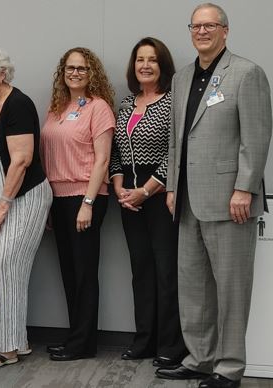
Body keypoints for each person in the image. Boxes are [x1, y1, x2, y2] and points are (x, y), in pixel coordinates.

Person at [157, 4, 272, 387]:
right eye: (196, 25)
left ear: (225, 30)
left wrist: (244, 188)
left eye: (210, 25)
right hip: (187, 200)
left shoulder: (247, 73)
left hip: (230, 201)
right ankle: (200, 358)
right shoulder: (182, 77)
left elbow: (256, 139)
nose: (202, 31)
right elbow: (177, 139)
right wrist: (172, 186)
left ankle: (229, 367)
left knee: (232, 289)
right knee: (193, 288)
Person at [0, 46, 52, 368]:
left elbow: (21, 159)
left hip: (23, 199)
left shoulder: (18, 103)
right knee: (4, 268)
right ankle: (19, 341)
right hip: (0, 204)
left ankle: (6, 348)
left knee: (4, 263)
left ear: (2, 73)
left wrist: (2, 207)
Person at [109, 37, 187, 367]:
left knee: (167, 271)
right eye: (140, 59)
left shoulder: (172, 103)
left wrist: (147, 190)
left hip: (160, 197)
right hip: (128, 198)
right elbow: (115, 154)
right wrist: (119, 189)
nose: (145, 65)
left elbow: (176, 153)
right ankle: (145, 340)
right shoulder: (126, 104)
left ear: (162, 65)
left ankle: (171, 345)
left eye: (152, 60)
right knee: (140, 271)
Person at [40, 47, 115, 361]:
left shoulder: (99, 108)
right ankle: (75, 337)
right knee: (69, 274)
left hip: (86, 199)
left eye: (82, 68)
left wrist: (87, 202)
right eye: (70, 68)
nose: (75, 73)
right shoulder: (57, 108)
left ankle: (84, 344)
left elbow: (103, 161)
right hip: (58, 200)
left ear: (92, 72)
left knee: (84, 274)